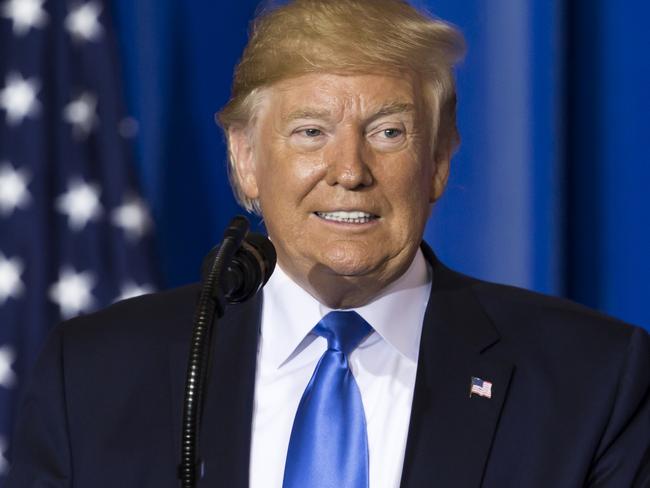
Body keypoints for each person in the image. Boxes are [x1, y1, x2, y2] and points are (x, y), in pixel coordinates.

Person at [7, 0, 649, 487]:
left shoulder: (591, 382)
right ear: (245, 160)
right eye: (311, 131)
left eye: (389, 132)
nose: (349, 169)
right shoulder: (94, 376)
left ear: (439, 162)